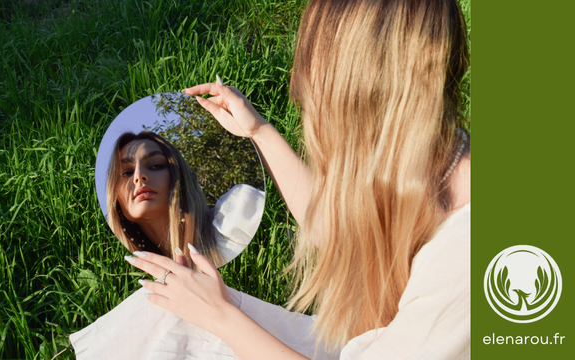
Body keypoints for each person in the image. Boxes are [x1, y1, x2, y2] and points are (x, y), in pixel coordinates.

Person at [72, 0, 470, 358]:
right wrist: (258, 131)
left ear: (363, 97)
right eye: (126, 171)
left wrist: (220, 316)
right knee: (163, 309)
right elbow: (338, 230)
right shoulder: (443, 154)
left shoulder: (469, 254)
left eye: (315, 90)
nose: (301, 95)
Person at [106, 130, 265, 268]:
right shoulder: (122, 269)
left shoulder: (237, 214)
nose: (139, 176)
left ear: (179, 177)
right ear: (115, 197)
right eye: (126, 172)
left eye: (156, 165)